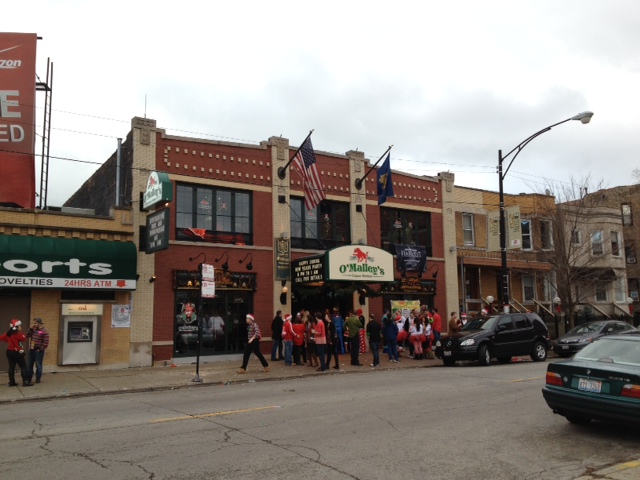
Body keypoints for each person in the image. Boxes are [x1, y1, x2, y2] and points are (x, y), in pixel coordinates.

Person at [0, 319, 32, 387]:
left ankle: (12, 382)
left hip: (9, 351)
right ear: (17, 327)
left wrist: (8, 341)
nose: (21, 327)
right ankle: (25, 382)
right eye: (20, 326)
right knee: (23, 367)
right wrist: (21, 332)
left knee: (11, 367)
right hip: (17, 352)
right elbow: (24, 338)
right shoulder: (18, 334)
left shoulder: (7, 334)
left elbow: (1, 338)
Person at [27, 317, 49, 384]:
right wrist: (30, 329)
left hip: (38, 350)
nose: (34, 324)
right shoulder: (33, 330)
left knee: (38, 365)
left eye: (35, 323)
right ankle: (29, 378)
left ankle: (38, 378)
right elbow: (28, 335)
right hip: (32, 349)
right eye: (34, 323)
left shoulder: (44, 331)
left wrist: (40, 349)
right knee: (29, 365)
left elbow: (46, 342)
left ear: (39, 323)